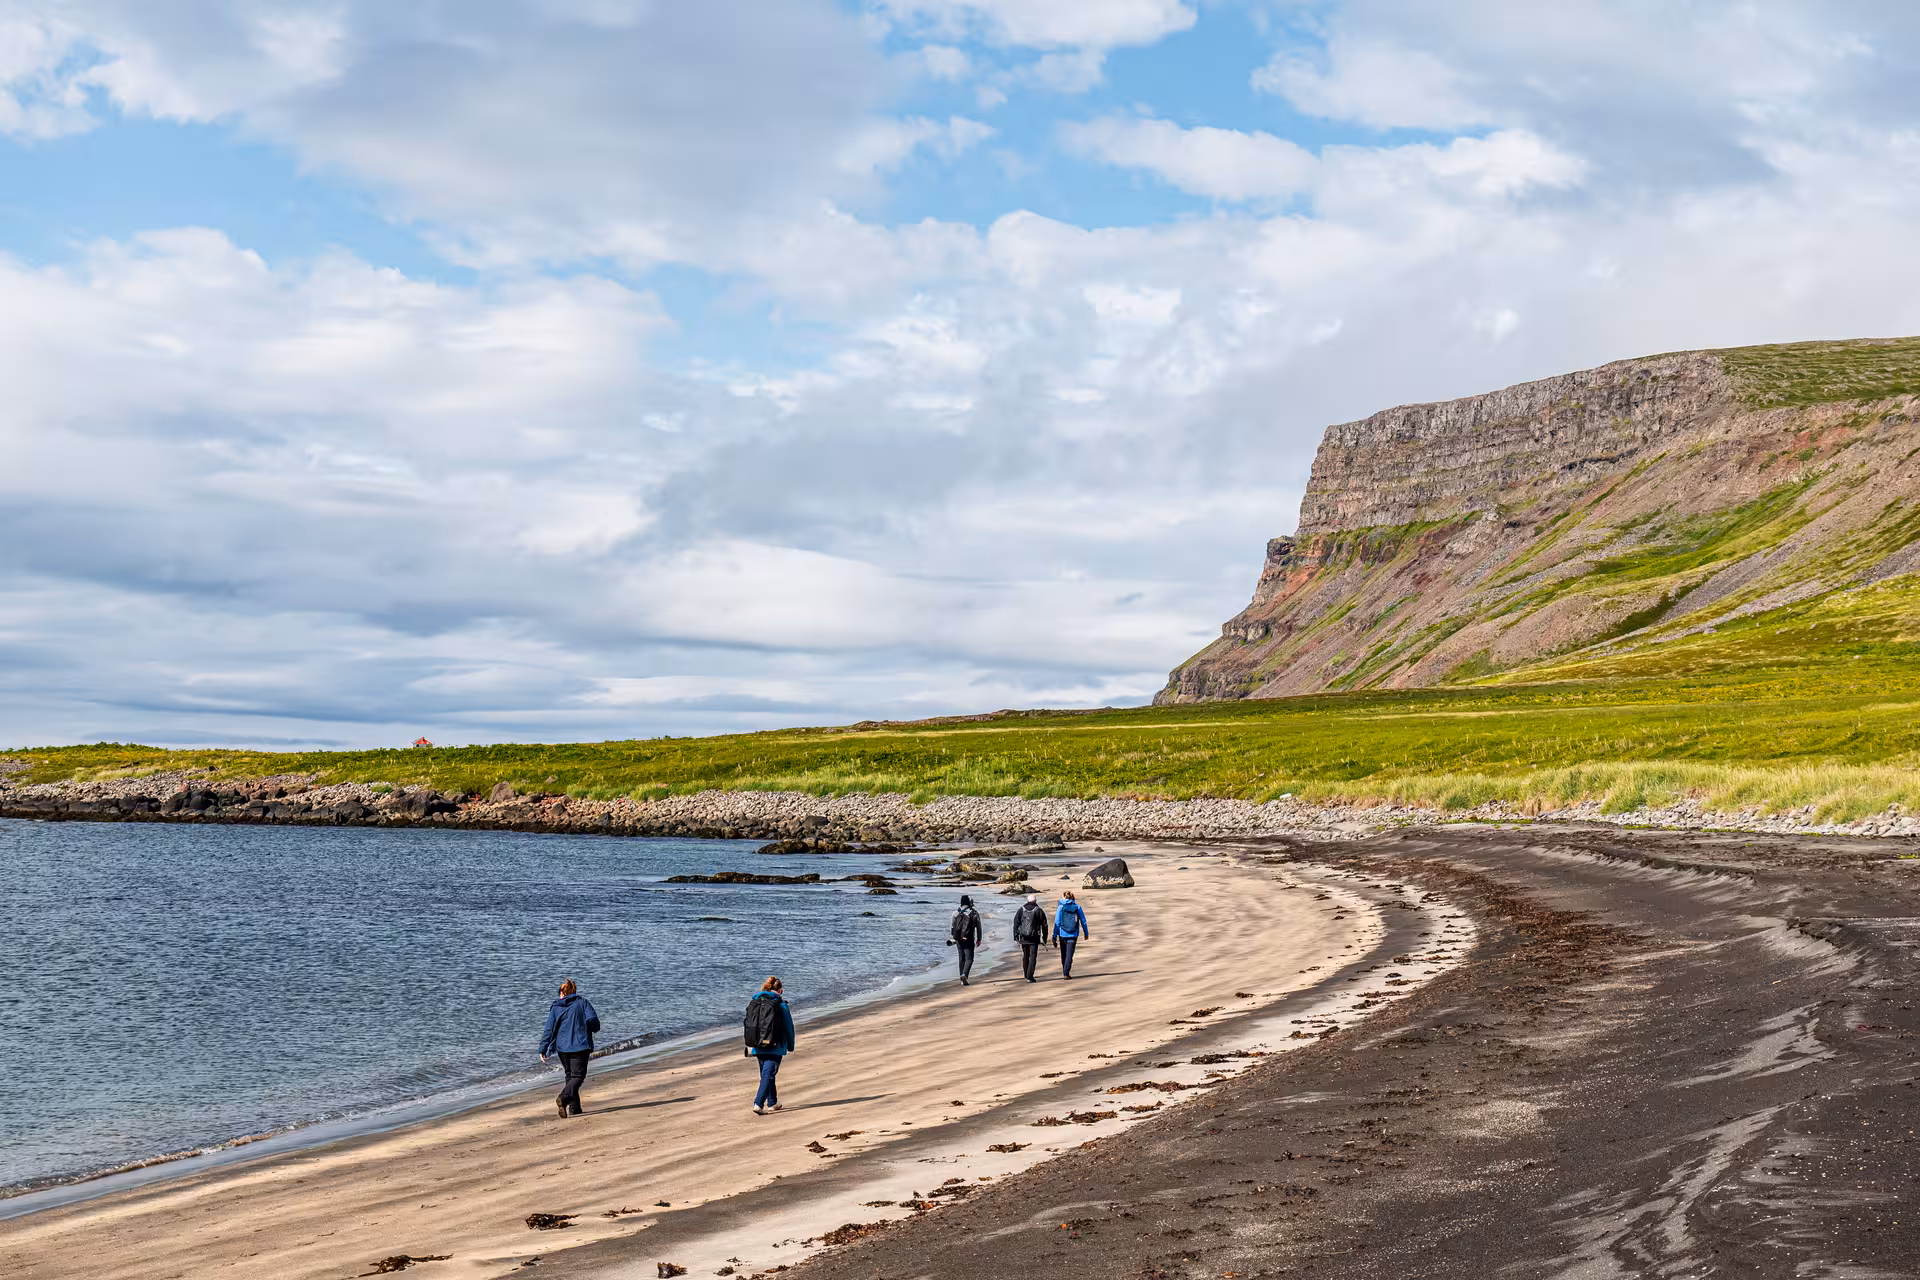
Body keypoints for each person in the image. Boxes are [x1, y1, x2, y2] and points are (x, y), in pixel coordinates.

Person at [538, 978, 600, 1118]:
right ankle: (564, 1098)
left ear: (562, 993)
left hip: (563, 1048)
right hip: (580, 1046)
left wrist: (543, 1048)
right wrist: (594, 1028)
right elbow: (593, 1022)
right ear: (573, 992)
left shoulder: (556, 1007)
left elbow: (548, 1029)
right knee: (578, 1076)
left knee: (570, 1076)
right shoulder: (582, 1003)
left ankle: (574, 1108)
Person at [743, 975, 796, 1115]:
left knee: (767, 1074)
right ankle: (758, 1103)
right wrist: (790, 1045)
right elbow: (789, 1027)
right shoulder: (780, 1005)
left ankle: (772, 1102)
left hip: (756, 1044)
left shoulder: (755, 1002)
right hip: (775, 1046)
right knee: (768, 1074)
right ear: (780, 990)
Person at [1012, 891, 1051, 982]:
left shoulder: (1021, 910)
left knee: (1025, 956)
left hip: (1023, 937)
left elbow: (1016, 923)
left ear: (1027, 900)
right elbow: (1044, 925)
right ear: (1035, 901)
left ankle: (1026, 974)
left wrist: (1015, 936)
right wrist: (1044, 938)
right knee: (1033, 957)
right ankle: (1030, 976)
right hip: (1034, 938)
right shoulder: (1039, 910)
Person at [1053, 891, 1091, 979]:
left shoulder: (1060, 907)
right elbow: (1083, 921)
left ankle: (1065, 970)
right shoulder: (1077, 907)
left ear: (1063, 897)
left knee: (1064, 954)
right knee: (1070, 954)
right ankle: (1066, 972)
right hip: (1073, 933)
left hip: (1062, 934)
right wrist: (1086, 933)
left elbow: (1057, 922)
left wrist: (1054, 935)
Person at [948, 894, 983, 984]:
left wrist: (954, 938)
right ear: (969, 902)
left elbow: (952, 928)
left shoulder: (955, 913)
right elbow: (978, 927)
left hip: (958, 939)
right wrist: (979, 939)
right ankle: (964, 975)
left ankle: (962, 980)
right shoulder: (974, 913)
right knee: (969, 958)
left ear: (961, 902)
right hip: (969, 938)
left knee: (961, 958)